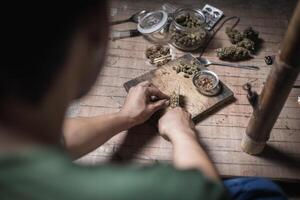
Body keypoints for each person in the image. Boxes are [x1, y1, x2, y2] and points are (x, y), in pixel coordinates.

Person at [0, 1, 286, 200]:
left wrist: (126, 118)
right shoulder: (141, 191)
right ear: (96, 30)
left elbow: (57, 141)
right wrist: (181, 133)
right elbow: (205, 193)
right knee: (261, 191)